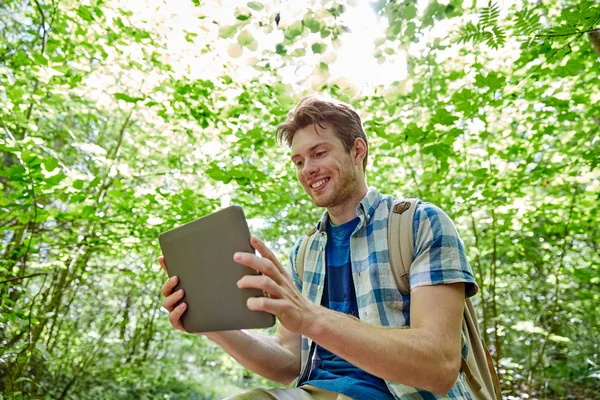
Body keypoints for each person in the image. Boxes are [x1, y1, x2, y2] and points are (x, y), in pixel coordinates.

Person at [159, 95, 478, 400]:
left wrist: (310, 316)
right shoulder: (304, 251)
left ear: (357, 151)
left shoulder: (421, 223)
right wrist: (208, 325)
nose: (306, 168)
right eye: (298, 161)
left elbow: (440, 366)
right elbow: (288, 363)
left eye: (319, 153)